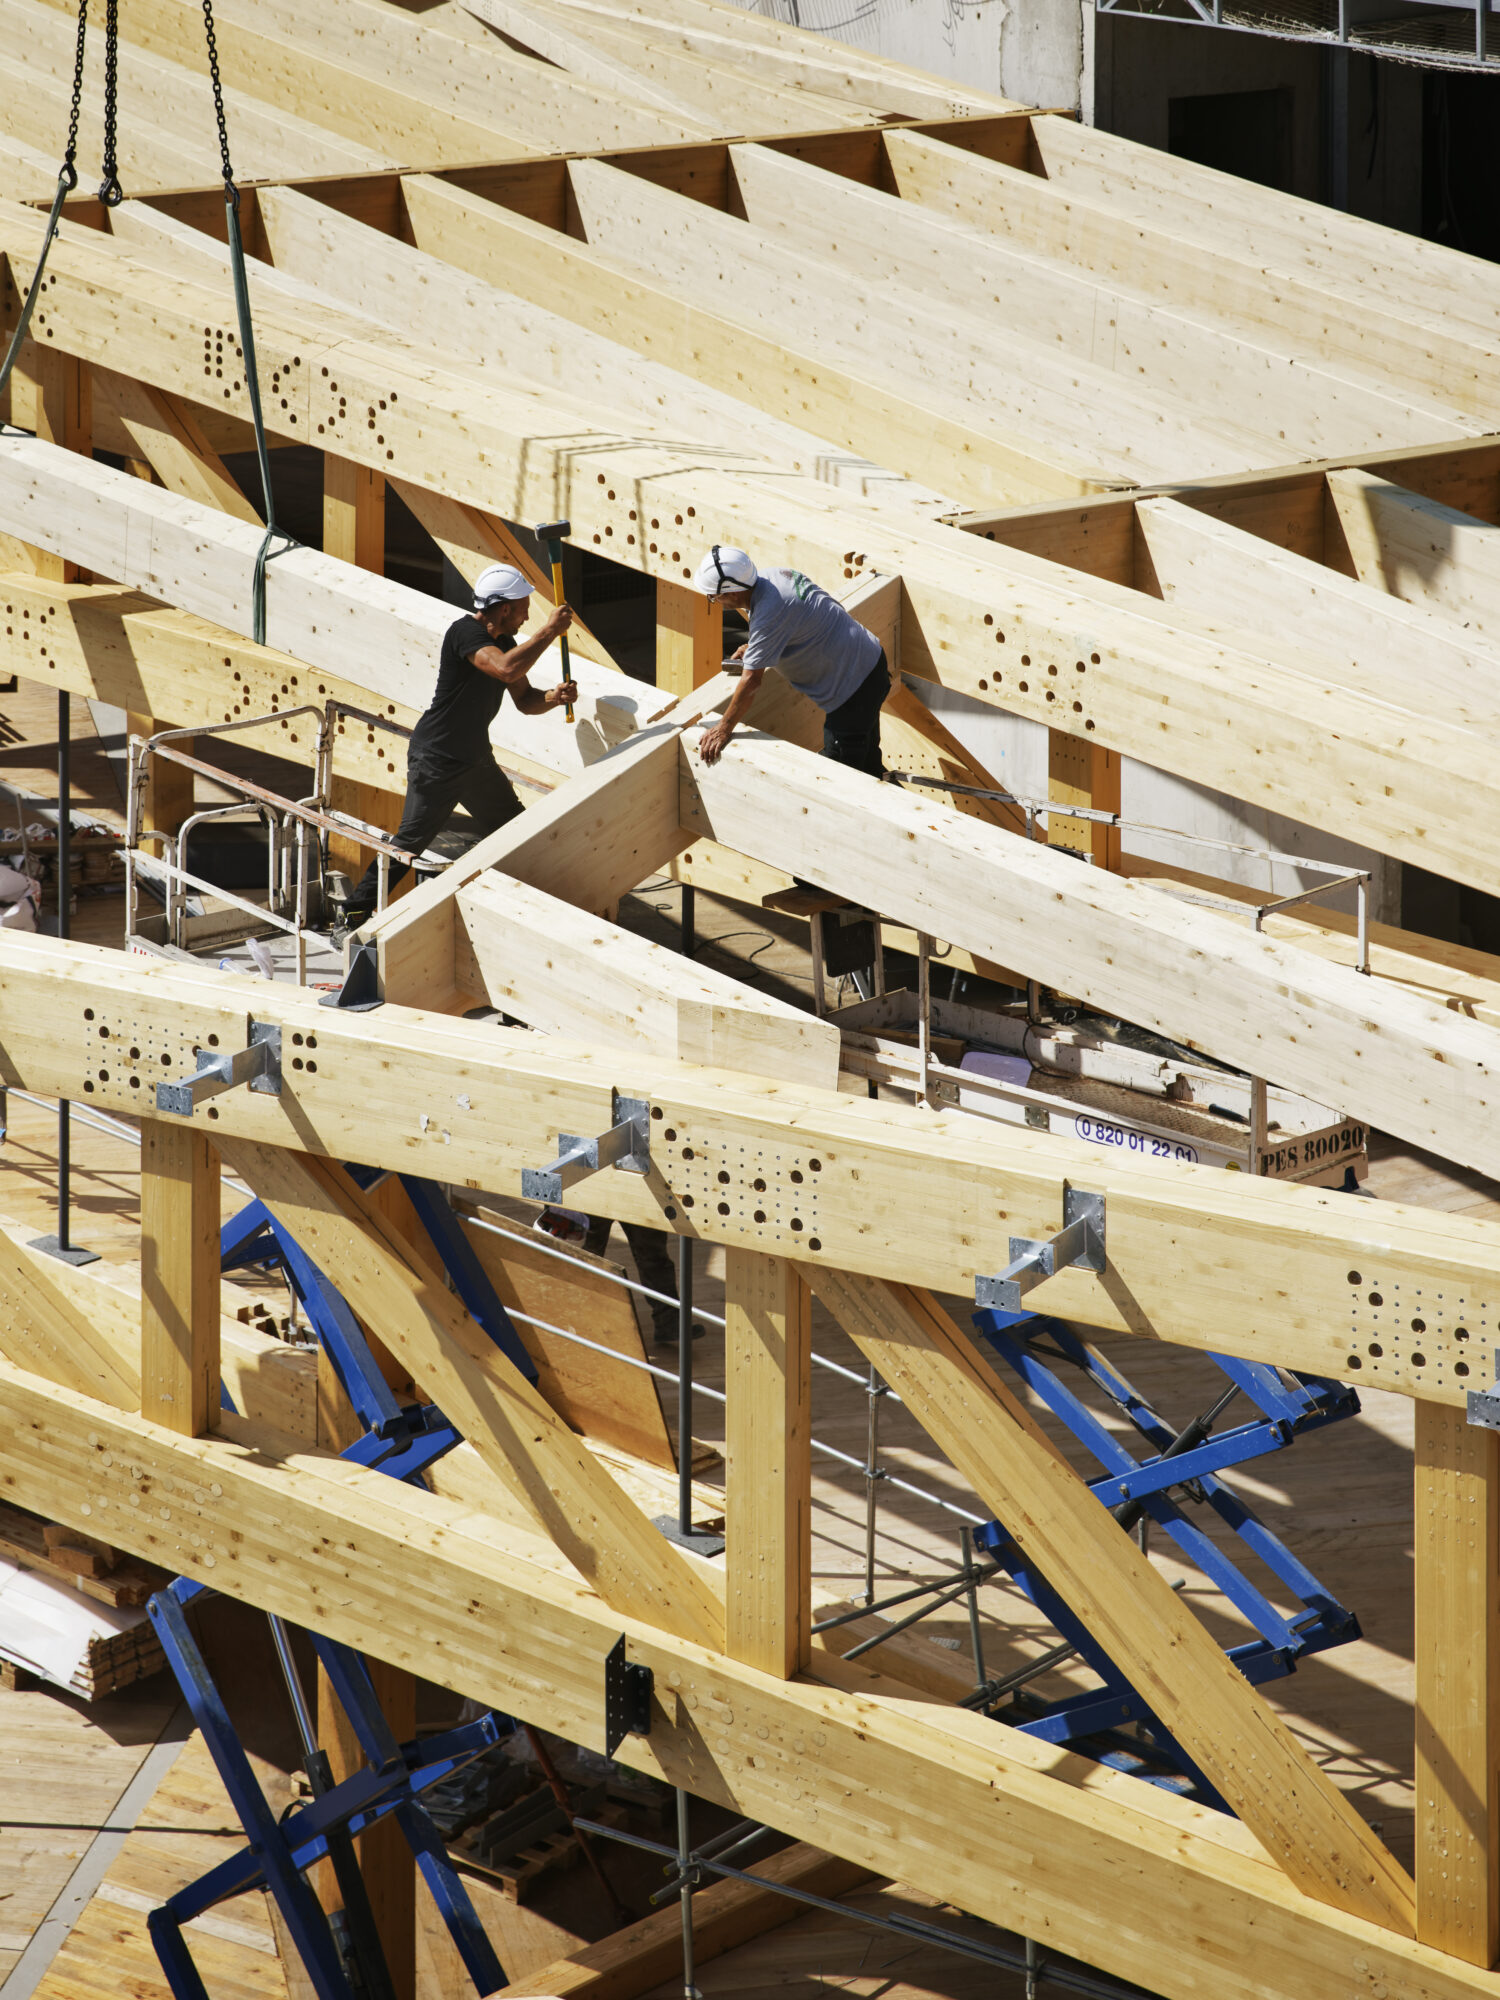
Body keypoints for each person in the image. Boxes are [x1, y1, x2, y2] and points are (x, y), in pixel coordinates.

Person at [339, 563, 577, 927]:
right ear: (504, 608)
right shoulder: (464, 633)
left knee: (515, 830)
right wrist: (549, 631)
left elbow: (526, 699)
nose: (527, 617)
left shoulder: (507, 642)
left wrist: (553, 697)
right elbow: (505, 670)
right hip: (436, 757)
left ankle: (529, 911)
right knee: (410, 843)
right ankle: (353, 912)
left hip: (475, 758)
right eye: (524, 609)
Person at [690, 546, 888, 777]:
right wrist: (759, 648)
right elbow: (800, 618)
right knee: (868, 762)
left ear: (733, 593)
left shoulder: (769, 613)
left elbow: (752, 681)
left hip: (852, 692)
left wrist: (724, 728)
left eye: (714, 597)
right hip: (871, 662)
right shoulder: (773, 577)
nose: (715, 601)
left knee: (839, 775)